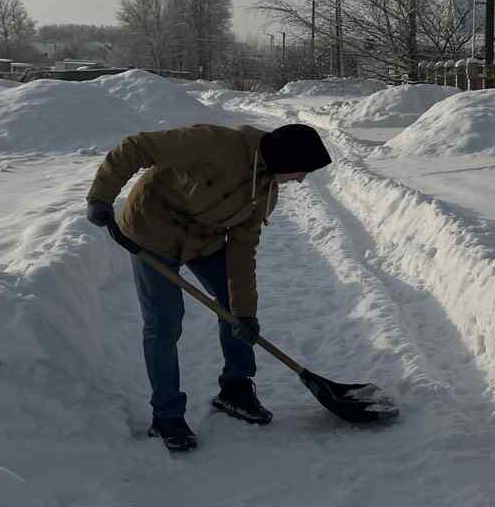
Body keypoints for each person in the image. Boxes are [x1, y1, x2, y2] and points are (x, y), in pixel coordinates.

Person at [85, 122, 332, 452]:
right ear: (286, 160)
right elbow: (136, 146)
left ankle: (236, 388)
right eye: (302, 171)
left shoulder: (264, 193)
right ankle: (167, 416)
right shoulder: (213, 143)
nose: (301, 179)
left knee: (234, 306)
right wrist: (101, 197)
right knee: (163, 322)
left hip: (203, 240)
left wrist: (245, 313)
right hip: (152, 230)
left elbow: (242, 252)